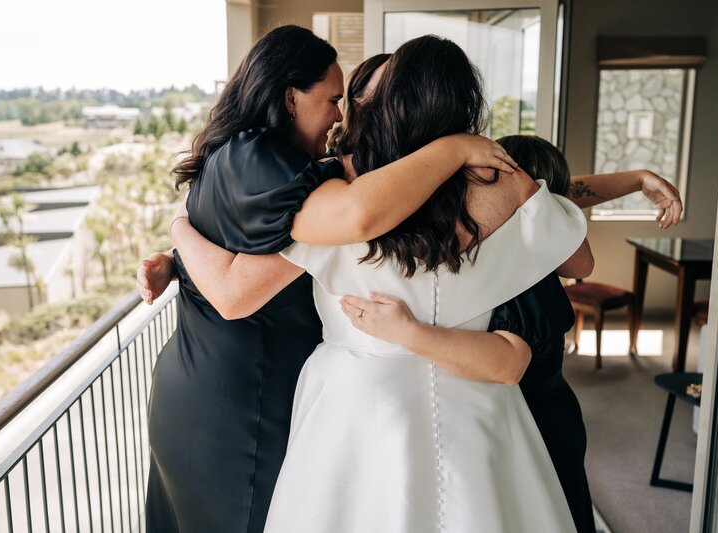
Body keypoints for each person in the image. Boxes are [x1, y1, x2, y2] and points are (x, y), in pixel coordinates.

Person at [165, 35, 596, 531]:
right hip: (474, 397)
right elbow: (578, 261)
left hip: (354, 399)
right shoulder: (506, 183)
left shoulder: (341, 186)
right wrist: (523, 185)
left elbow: (240, 277)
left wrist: (180, 232)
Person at [341, 135, 683, 533]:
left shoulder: (525, 278)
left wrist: (406, 331)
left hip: (541, 426)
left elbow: (507, 363)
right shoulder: (522, 232)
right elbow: (556, 197)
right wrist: (637, 179)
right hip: (548, 416)